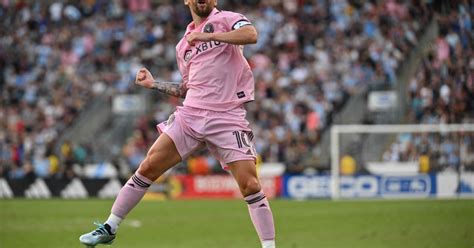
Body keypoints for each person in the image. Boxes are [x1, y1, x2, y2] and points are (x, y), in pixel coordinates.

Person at [79, 0, 276, 247]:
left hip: (227, 116)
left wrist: (208, 35)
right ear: (187, 0)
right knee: (149, 165)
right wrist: (154, 85)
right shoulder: (183, 45)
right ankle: (110, 227)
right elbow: (186, 88)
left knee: (250, 184)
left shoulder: (227, 18)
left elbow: (251, 35)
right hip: (191, 115)